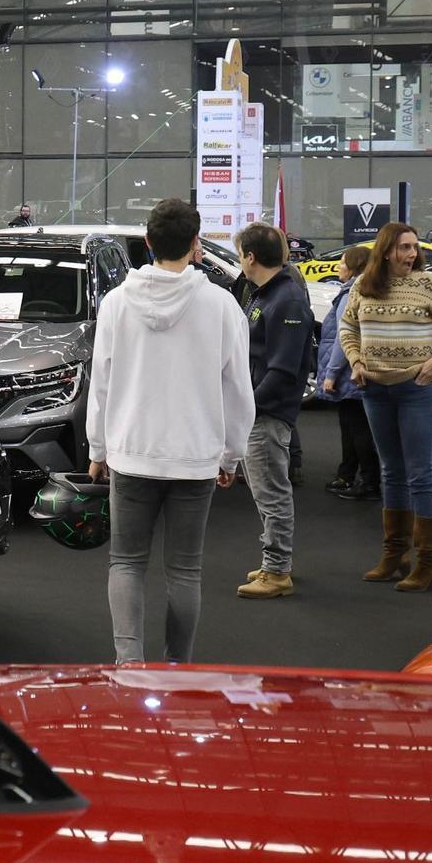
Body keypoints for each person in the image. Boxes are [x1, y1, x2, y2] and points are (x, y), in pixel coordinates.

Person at [85, 198, 252, 665]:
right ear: (197, 244)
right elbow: (238, 387)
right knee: (184, 570)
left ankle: (128, 663)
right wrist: (231, 455)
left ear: (149, 243)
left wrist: (98, 447)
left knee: (126, 562)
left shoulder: (117, 303)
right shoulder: (221, 305)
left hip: (130, 453)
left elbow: (101, 380)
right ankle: (177, 665)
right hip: (196, 457)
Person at [339, 221, 432, 592]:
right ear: (385, 251)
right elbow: (348, 328)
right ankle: (394, 555)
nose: (412, 254)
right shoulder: (365, 286)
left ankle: (428, 562)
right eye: (404, 248)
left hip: (416, 389)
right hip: (374, 389)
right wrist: (356, 362)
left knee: (419, 472)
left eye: (414, 247)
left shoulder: (431, 285)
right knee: (390, 472)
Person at [234, 221, 316, 599]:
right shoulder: (265, 294)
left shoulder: (286, 299)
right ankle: (275, 563)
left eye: (239, 255)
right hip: (259, 409)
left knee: (272, 494)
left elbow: (282, 369)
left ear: (250, 257)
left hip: (267, 412)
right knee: (266, 491)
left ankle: (277, 571)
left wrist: (247, 407)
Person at [317, 245, 378, 500]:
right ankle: (350, 475)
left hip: (348, 374)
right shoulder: (363, 289)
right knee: (354, 427)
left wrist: (330, 374)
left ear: (354, 266)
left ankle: (368, 483)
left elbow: (344, 338)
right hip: (355, 372)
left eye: (343, 262)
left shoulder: (350, 294)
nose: (339, 267)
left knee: (357, 429)